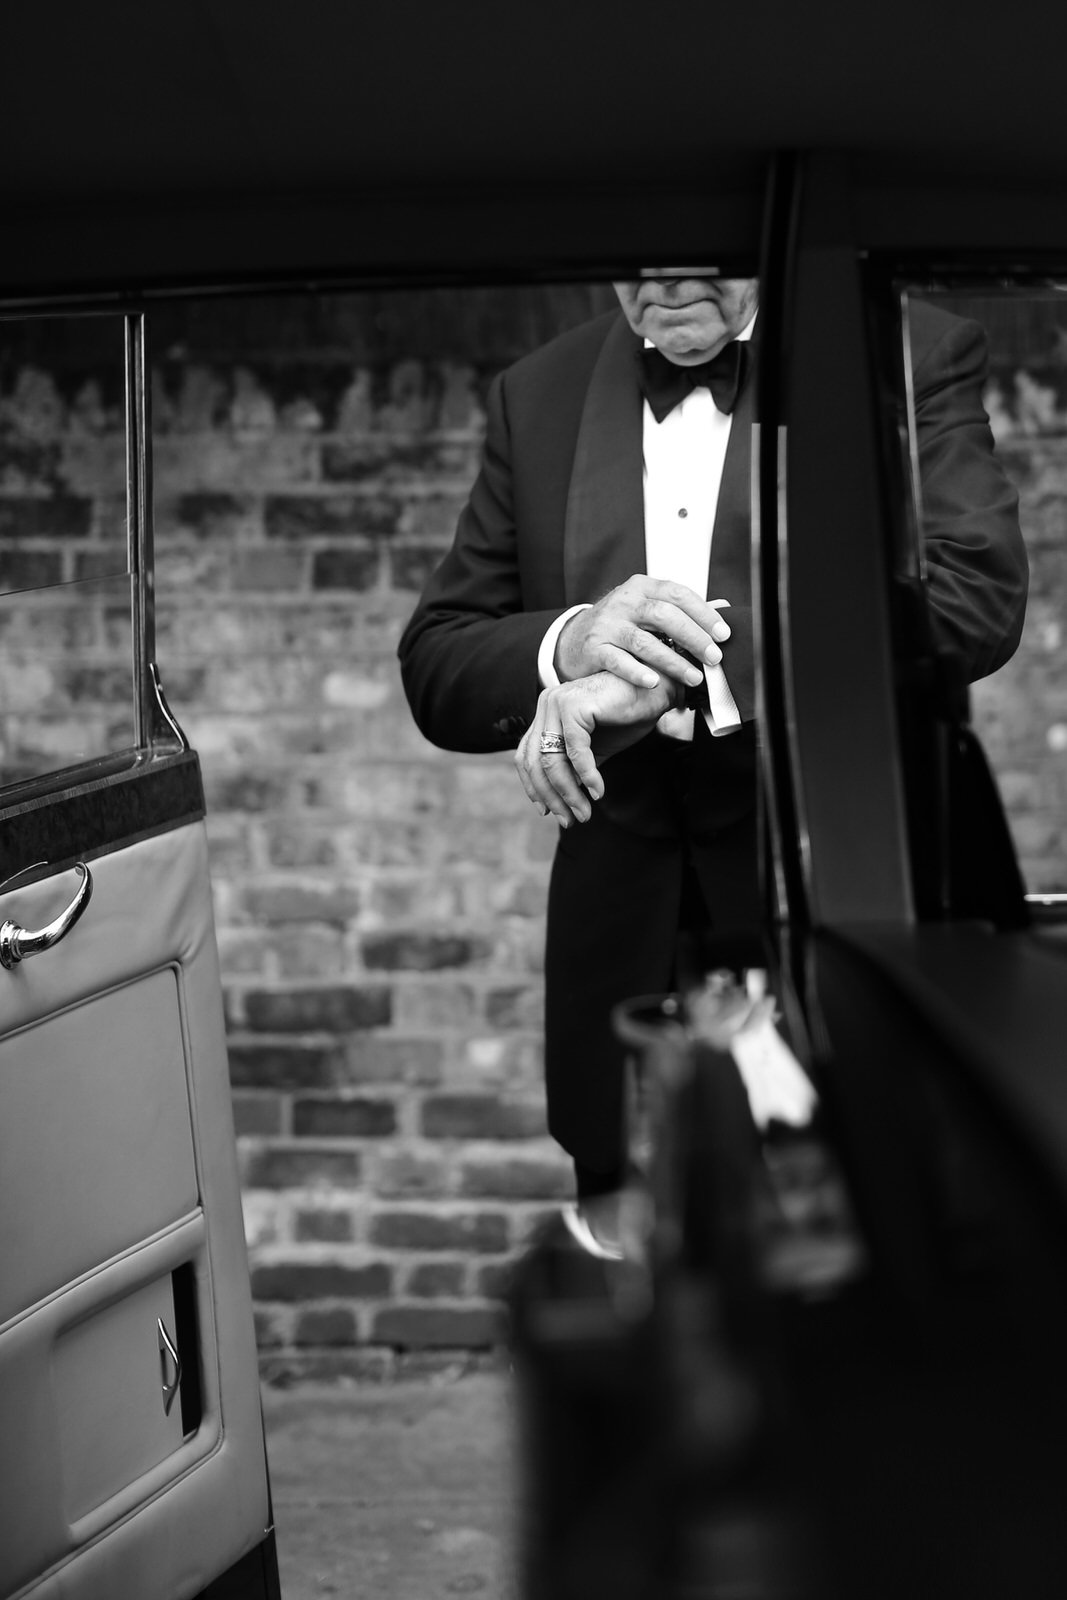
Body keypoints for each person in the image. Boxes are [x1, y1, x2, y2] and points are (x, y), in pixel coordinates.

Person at [398, 271, 1027, 1251]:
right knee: (639, 1293)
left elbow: (972, 602)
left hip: (832, 886)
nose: (668, 286)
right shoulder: (539, 392)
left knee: (851, 1253)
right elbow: (437, 657)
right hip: (624, 928)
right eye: (639, 265)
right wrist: (573, 643)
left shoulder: (909, 354)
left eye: (699, 255)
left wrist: (692, 656)